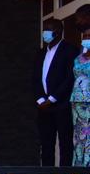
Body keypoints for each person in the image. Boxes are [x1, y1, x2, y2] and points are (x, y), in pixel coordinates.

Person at [35, 19, 78, 166]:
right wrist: (41, 99)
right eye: (44, 29)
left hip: (62, 104)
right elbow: (35, 77)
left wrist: (53, 98)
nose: (44, 33)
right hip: (43, 106)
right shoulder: (41, 52)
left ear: (57, 31)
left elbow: (69, 78)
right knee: (46, 143)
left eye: (48, 29)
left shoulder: (70, 50)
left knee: (65, 143)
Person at [74, 23, 90, 165]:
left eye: (89, 36)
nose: (86, 39)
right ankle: (80, 168)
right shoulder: (78, 58)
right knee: (80, 135)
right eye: (84, 36)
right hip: (78, 102)